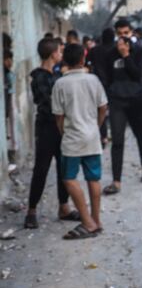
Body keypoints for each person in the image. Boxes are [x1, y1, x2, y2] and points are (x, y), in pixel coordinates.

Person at [51, 43, 108, 240]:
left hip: (72, 138)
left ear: (65, 61)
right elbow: (103, 107)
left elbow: (58, 116)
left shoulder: (60, 84)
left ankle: (87, 222)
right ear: (83, 59)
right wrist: (96, 126)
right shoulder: (93, 80)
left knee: (69, 178)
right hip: (91, 136)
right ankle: (96, 220)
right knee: (93, 178)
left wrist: (63, 131)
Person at [24, 38, 76, 229]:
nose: (61, 55)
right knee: (41, 168)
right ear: (53, 54)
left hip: (60, 127)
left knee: (64, 167)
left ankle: (64, 207)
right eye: (59, 52)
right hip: (47, 127)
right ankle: (31, 211)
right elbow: (49, 103)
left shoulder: (54, 76)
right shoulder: (40, 77)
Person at [103, 18, 142, 194]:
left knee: (141, 135)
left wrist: (126, 55)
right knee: (117, 140)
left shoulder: (138, 51)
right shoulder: (110, 54)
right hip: (117, 101)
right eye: (120, 34)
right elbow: (107, 78)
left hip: (136, 99)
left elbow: (137, 75)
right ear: (116, 34)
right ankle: (116, 181)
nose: (123, 37)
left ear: (131, 33)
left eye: (126, 33)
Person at [87, 28, 115, 148]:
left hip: (97, 84)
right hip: (114, 85)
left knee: (100, 110)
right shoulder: (115, 50)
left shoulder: (94, 50)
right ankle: (115, 134)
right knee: (114, 111)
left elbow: (87, 64)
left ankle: (102, 136)